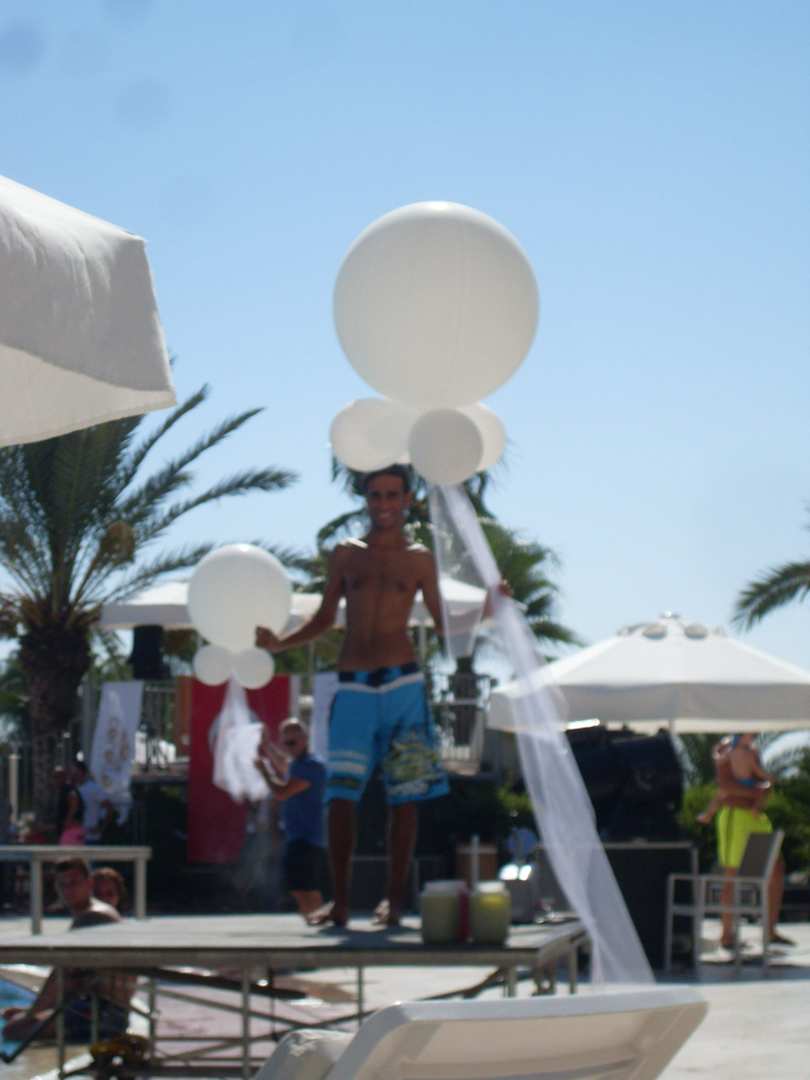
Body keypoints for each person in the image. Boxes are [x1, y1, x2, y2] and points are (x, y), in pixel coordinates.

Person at [256, 465, 453, 928]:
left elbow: (444, 624)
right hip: (354, 684)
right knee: (341, 796)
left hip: (404, 684)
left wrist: (491, 607)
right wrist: (280, 644)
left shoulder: (420, 559)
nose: (384, 504)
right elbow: (326, 617)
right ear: (366, 500)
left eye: (392, 494)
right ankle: (341, 904)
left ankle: (394, 902)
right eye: (375, 495)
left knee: (405, 796)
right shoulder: (347, 554)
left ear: (407, 500)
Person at [2, 857, 134, 1043]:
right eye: (62, 884)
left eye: (74, 883)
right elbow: (74, 981)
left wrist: (31, 1014)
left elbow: (61, 976)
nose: (68, 890)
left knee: (13, 1030)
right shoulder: (95, 913)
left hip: (104, 1014)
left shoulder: (93, 917)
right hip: (103, 1010)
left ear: (88, 884)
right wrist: (32, 1011)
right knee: (16, 1020)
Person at [711, 734, 792, 949]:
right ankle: (726, 934)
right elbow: (725, 786)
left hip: (756, 817)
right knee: (732, 873)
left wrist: (761, 795)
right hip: (735, 815)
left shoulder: (752, 749)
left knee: (776, 868)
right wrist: (756, 791)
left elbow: (765, 782)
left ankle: (770, 931)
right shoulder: (725, 747)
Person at [255, 719, 326, 918]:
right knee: (298, 885)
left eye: (293, 742)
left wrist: (264, 771)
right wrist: (267, 746)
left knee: (303, 886)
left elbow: (282, 792)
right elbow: (284, 764)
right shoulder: (299, 764)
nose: (289, 747)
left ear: (305, 739)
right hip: (300, 836)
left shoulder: (311, 765)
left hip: (307, 837)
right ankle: (314, 916)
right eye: (286, 743)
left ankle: (317, 915)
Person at [696, 735, 772, 825]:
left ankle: (707, 815)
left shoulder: (748, 753)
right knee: (721, 793)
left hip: (746, 790)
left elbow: (756, 770)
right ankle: (708, 815)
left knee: (721, 793)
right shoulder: (734, 751)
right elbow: (719, 760)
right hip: (740, 791)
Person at [72, 760, 108, 845]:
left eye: (76, 772)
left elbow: (109, 808)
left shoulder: (94, 788)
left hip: (91, 837)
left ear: (83, 772)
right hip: (74, 836)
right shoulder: (71, 789)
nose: (73, 775)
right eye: (72, 773)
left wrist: (100, 827)